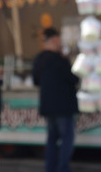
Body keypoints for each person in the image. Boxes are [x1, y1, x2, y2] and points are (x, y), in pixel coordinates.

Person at [33, 27, 78, 172]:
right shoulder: (60, 60)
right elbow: (73, 79)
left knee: (52, 139)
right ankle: (62, 168)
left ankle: (50, 168)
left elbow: (35, 80)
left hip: (48, 106)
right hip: (63, 107)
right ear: (55, 40)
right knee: (66, 139)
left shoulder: (39, 59)